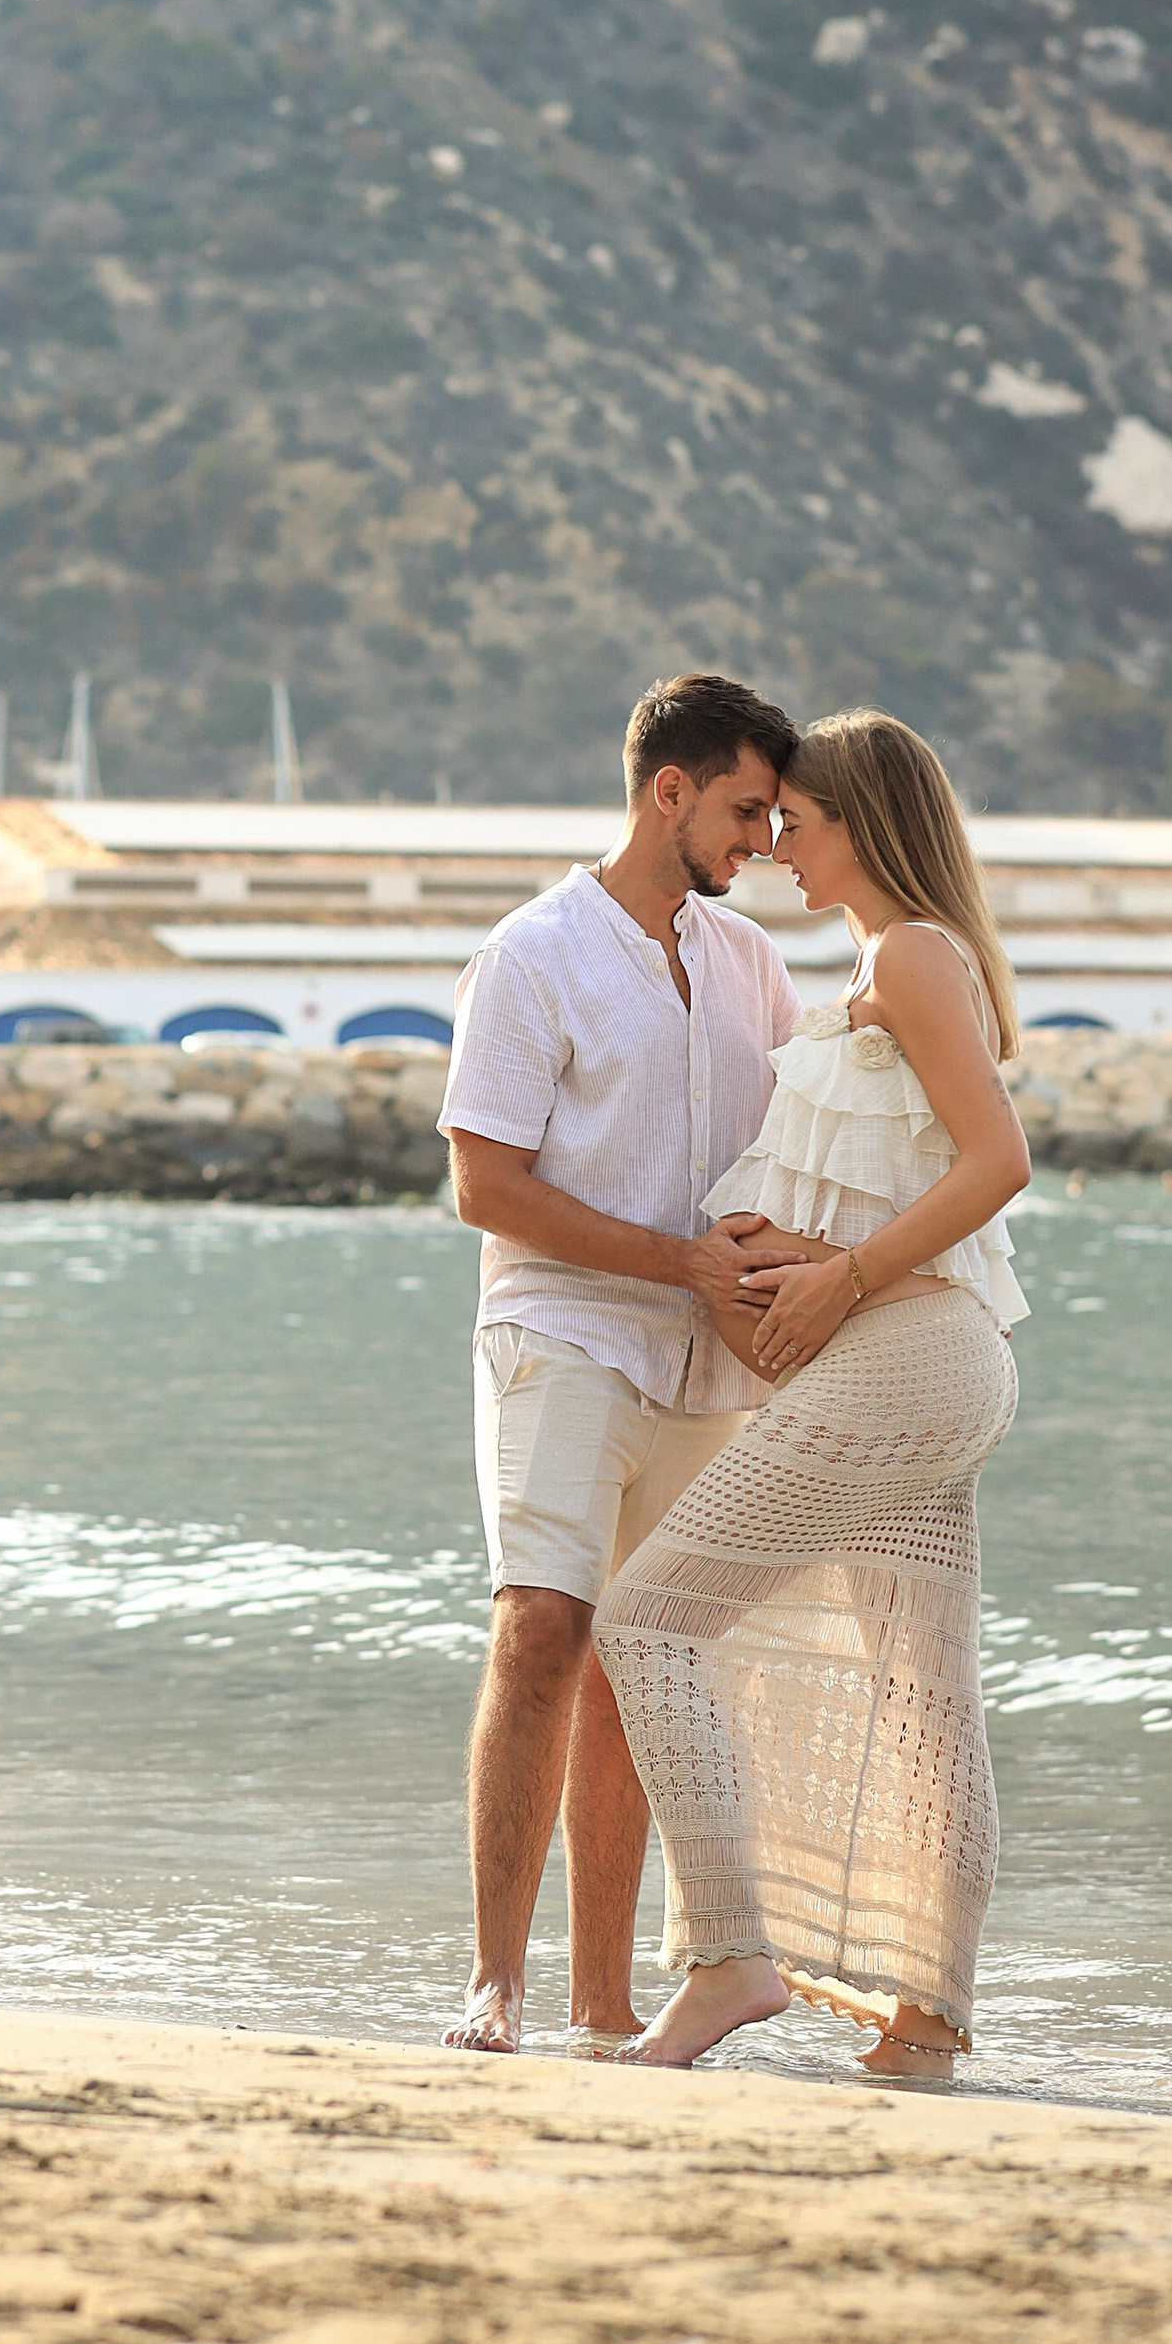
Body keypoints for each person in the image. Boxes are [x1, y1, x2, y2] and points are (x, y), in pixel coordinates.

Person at [593, 708, 1030, 2084]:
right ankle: (926, 2028)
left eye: (802, 822)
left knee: (646, 1619)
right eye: (769, 820)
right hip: (926, 1362)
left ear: (869, 826)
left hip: (910, 1354)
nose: (777, 846)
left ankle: (730, 1957)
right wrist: (806, 1255)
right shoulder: (895, 961)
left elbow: (996, 1162)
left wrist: (840, 1279)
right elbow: (900, 1176)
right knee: (924, 1698)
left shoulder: (907, 952)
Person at [438, 671, 804, 2055]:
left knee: (636, 1664)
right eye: (745, 812)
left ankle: (602, 2000)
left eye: (772, 819)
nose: (761, 842)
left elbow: (786, 1153)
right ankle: (495, 1983)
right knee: (542, 1627)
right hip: (561, 1330)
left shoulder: (750, 965)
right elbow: (487, 1187)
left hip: (708, 1363)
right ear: (670, 791)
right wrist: (679, 1263)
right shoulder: (533, 954)